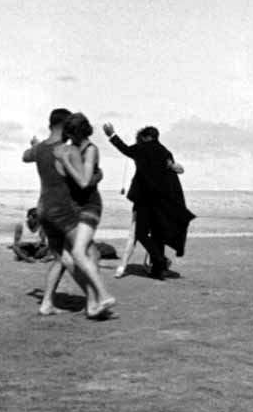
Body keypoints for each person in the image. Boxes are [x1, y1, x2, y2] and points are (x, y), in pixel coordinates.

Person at [23, 109, 114, 319]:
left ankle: (46, 303)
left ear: (50, 125)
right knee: (90, 253)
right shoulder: (69, 150)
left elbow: (25, 156)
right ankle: (94, 301)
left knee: (61, 258)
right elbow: (83, 181)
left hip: (43, 209)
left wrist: (35, 146)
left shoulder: (40, 149)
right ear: (66, 127)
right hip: (63, 210)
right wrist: (98, 176)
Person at [103, 122, 195, 280]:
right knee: (158, 234)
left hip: (144, 199)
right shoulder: (165, 152)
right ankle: (158, 271)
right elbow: (172, 174)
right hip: (162, 201)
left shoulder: (141, 148)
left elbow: (124, 149)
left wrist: (111, 134)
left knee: (140, 233)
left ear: (146, 137)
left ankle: (160, 259)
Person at [53, 112, 115, 313]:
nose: (69, 137)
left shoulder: (90, 150)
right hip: (73, 207)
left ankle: (104, 296)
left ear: (79, 132)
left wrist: (66, 162)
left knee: (79, 252)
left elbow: (84, 182)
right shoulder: (74, 148)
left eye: (71, 134)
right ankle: (92, 304)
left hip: (89, 206)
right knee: (67, 257)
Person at [114, 142, 186, 278]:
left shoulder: (147, 156)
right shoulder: (162, 155)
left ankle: (126, 266)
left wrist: (112, 135)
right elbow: (179, 170)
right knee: (146, 235)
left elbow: (180, 169)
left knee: (137, 234)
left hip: (146, 202)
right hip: (153, 203)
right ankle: (149, 264)